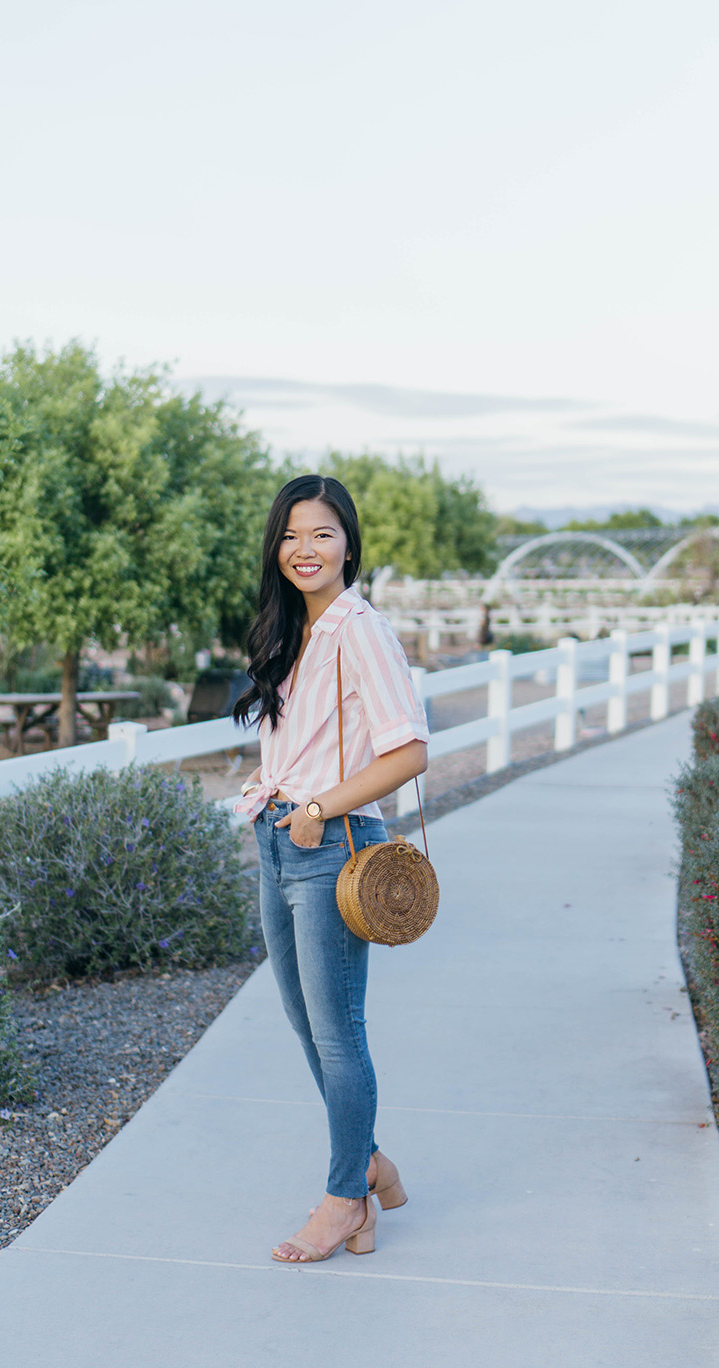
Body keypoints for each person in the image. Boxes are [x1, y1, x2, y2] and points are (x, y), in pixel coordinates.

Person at [233, 473, 429, 1264]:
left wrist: (317, 810)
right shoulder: (295, 631)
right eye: (290, 534)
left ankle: (345, 1195)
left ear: (348, 541)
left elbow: (410, 750)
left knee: (339, 1033)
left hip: (331, 844)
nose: (303, 549)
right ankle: (370, 1164)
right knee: (305, 1023)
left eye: (320, 533)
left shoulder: (360, 630)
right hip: (277, 839)